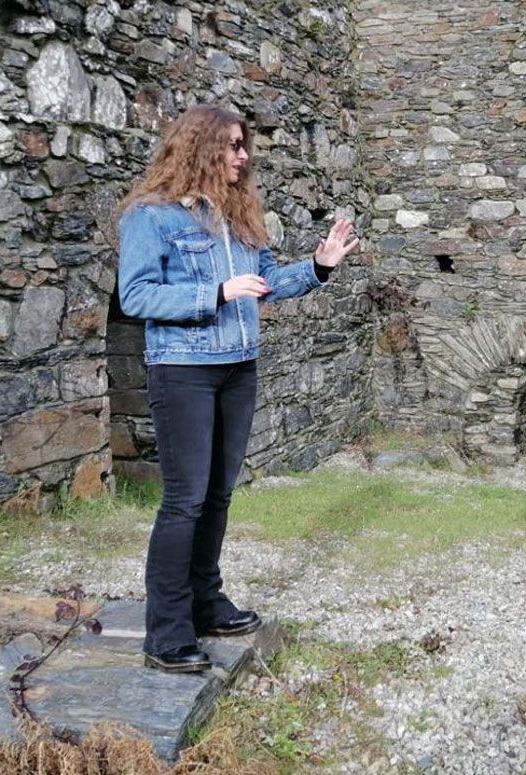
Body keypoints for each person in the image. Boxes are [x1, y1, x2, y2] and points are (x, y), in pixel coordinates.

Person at [117, 104, 359, 673]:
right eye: (232, 145)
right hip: (183, 369)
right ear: (199, 148)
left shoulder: (241, 215)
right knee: (185, 501)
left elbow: (265, 284)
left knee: (220, 496)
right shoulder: (150, 216)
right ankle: (167, 632)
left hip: (238, 367)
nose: (243, 155)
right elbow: (137, 296)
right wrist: (217, 293)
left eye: (243, 145)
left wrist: (319, 267)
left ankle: (207, 602)